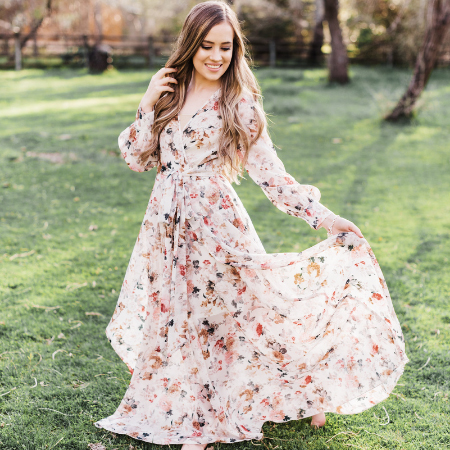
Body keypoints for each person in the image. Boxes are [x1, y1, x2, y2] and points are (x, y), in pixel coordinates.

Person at [94, 1, 409, 448]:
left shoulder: (238, 103)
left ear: (235, 49)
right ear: (190, 45)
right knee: (180, 319)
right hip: (166, 227)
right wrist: (146, 102)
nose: (216, 56)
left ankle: (228, 417)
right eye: (206, 46)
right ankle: (193, 410)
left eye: (225, 47)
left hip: (215, 224)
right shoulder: (168, 91)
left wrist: (324, 217)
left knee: (238, 317)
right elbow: (136, 157)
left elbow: (271, 174)